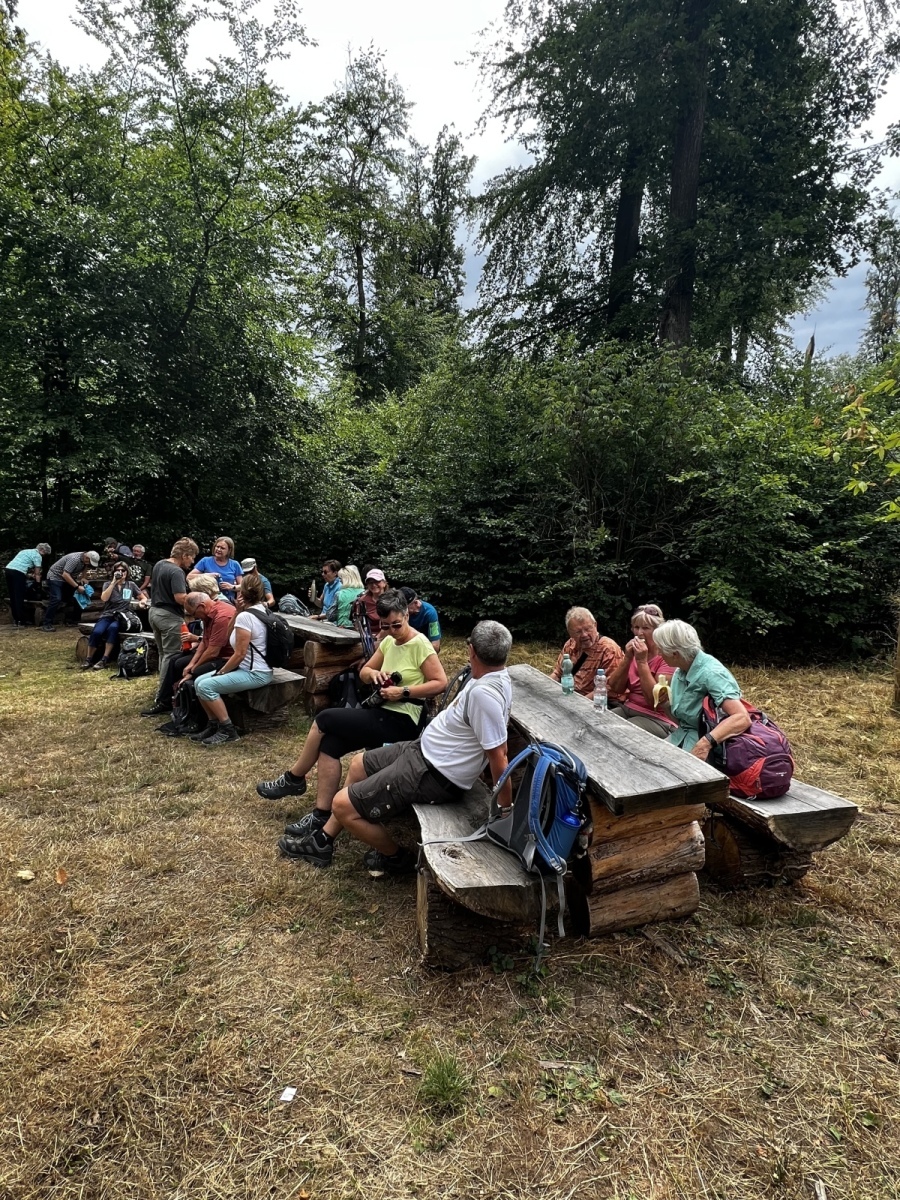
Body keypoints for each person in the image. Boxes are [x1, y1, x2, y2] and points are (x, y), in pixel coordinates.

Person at [276, 620, 514, 873]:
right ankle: (323, 840)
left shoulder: (484, 694)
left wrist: (505, 810)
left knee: (342, 805)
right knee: (358, 764)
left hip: (433, 773)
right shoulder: (491, 678)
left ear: (472, 651)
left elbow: (499, 755)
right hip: (423, 752)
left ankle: (396, 858)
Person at [256, 590, 447, 829]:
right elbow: (364, 672)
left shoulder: (420, 644)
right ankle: (321, 814)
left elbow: (440, 683)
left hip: (403, 718)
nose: (391, 630)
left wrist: (403, 691)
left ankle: (294, 778)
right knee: (330, 745)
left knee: (325, 718)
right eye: (385, 626)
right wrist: (374, 674)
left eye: (397, 624)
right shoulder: (389, 641)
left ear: (407, 615)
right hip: (382, 711)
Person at [652, 619, 751, 760]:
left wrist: (705, 743)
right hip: (681, 738)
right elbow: (683, 722)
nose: (659, 654)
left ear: (675, 653)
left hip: (714, 750)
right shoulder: (680, 671)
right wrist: (665, 704)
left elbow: (742, 718)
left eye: (661, 650)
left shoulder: (712, 673)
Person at [193, 575, 274, 747]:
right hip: (257, 668)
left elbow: (239, 654)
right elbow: (229, 636)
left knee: (206, 686)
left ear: (241, 594)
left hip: (255, 673)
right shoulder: (262, 610)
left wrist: (221, 672)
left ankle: (228, 730)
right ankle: (213, 725)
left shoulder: (247, 617)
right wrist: (237, 612)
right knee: (199, 681)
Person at [152, 588, 235, 714]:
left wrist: (193, 668)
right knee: (175, 660)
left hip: (226, 658)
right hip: (215, 654)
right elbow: (204, 642)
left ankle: (190, 710)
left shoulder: (222, 617)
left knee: (193, 671)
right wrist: (191, 664)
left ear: (202, 606)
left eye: (194, 614)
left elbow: (213, 651)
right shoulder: (209, 614)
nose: (195, 617)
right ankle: (167, 702)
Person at [142, 537, 199, 715]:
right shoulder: (176, 571)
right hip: (169, 617)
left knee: (162, 654)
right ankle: (164, 698)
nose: (192, 561)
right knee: (171, 656)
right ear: (184, 555)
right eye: (192, 557)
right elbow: (180, 597)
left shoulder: (160, 564)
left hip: (154, 613)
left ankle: (161, 690)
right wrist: (198, 600)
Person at [604, 604, 676, 738]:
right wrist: (627, 658)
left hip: (657, 718)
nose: (639, 633)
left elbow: (654, 701)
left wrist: (642, 662)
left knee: (621, 732)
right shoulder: (635, 653)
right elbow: (615, 688)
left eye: (646, 628)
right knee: (600, 722)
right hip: (629, 708)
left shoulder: (667, 657)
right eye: (636, 627)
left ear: (658, 631)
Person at [81, 562, 148, 671]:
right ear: (114, 572)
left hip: (121, 616)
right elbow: (104, 598)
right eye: (118, 570)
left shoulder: (130, 585)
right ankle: (89, 658)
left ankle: (104, 659)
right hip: (108, 614)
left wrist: (142, 602)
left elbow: (143, 597)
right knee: (97, 631)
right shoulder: (108, 584)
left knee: (112, 629)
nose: (120, 573)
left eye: (123, 570)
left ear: (127, 572)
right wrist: (113, 583)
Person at [550, 606, 625, 701]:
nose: (584, 635)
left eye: (588, 629)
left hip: (601, 702)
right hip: (572, 696)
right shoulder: (570, 644)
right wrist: (545, 689)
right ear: (570, 633)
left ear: (595, 625)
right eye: (578, 632)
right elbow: (558, 674)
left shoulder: (608, 649)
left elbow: (608, 688)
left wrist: (579, 703)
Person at [42, 550, 101, 631]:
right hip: (55, 577)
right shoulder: (74, 559)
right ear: (87, 557)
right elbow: (65, 574)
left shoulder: (85, 560)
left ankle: (74, 620)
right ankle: (47, 623)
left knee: (78, 595)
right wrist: (77, 587)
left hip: (67, 578)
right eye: (89, 562)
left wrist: (83, 577)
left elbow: (85, 567)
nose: (89, 564)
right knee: (56, 598)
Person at [5, 543, 51, 627]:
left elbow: (18, 566)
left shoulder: (25, 551)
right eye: (45, 553)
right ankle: (21, 620)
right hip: (18, 573)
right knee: (19, 596)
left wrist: (28, 575)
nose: (44, 556)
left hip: (8, 570)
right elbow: (37, 574)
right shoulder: (38, 556)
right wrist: (38, 584)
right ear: (42, 550)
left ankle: (16, 619)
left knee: (13, 595)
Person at [188, 537, 242, 604]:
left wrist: (232, 587)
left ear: (229, 550)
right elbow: (189, 577)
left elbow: (242, 586)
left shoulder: (235, 564)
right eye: (217, 546)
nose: (218, 549)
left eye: (222, 548)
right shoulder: (205, 561)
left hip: (228, 603)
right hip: (207, 602)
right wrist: (207, 575)